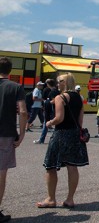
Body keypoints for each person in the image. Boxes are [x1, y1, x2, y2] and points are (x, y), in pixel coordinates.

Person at [38, 72, 89, 208]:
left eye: (59, 81)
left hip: (61, 134)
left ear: (64, 83)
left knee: (51, 165)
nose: (57, 83)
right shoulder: (79, 97)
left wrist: (49, 122)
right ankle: (70, 199)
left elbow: (59, 118)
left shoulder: (61, 97)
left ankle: (51, 199)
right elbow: (80, 120)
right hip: (74, 133)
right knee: (72, 166)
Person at [0, 57, 28, 222]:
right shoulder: (16, 87)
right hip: (5, 133)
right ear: (10, 70)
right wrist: (22, 133)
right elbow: (23, 112)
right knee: (1, 173)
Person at [34, 79, 57, 144]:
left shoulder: (52, 91)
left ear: (48, 84)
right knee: (47, 124)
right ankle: (43, 139)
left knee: (46, 124)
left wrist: (47, 102)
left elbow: (54, 100)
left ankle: (42, 139)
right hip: (53, 110)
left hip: (50, 110)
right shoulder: (56, 90)